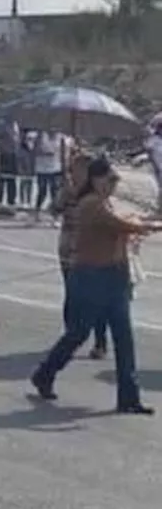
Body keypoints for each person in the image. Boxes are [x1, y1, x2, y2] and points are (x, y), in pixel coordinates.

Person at [30, 157, 161, 414]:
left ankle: (128, 397)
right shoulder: (90, 204)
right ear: (96, 179)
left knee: (124, 338)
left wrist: (141, 223)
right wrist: (150, 225)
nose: (113, 184)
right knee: (78, 333)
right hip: (91, 277)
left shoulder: (103, 203)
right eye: (110, 179)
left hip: (114, 277)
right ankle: (45, 373)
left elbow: (122, 223)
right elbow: (121, 225)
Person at [51, 154, 107, 358]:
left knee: (95, 297)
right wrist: (63, 195)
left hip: (93, 251)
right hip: (68, 249)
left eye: (79, 169)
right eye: (72, 169)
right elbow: (54, 210)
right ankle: (70, 338)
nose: (74, 173)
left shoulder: (97, 195)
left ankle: (100, 342)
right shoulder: (66, 191)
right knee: (72, 295)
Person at [32, 130, 66, 216]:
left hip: (55, 167)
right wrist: (44, 152)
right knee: (42, 191)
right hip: (42, 168)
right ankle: (37, 212)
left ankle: (55, 216)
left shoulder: (61, 137)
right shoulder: (40, 135)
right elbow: (35, 150)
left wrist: (64, 167)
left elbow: (62, 152)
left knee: (54, 192)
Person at [0, 117, 21, 207]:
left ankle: (11, 200)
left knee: (12, 178)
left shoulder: (18, 124)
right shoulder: (1, 124)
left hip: (14, 153)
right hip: (5, 153)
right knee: (2, 177)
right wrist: (1, 147)